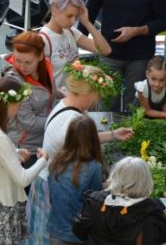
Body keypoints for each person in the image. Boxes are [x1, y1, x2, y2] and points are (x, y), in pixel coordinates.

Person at [25, 61, 134, 245]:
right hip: (57, 189)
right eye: (95, 95)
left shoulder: (63, 104)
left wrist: (114, 134)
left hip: (51, 181)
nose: (95, 100)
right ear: (86, 94)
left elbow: (82, 137)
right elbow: (83, 141)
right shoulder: (71, 120)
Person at [78, 0, 166, 111]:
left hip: (140, 57)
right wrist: (76, 42)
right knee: (106, 102)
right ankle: (107, 135)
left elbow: (163, 21)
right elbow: (90, 12)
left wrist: (136, 31)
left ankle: (131, 136)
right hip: (109, 53)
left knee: (134, 106)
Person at [0, 75, 49, 244]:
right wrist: (43, 160)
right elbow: (23, 179)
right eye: (19, 105)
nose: (19, 108)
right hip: (0, 208)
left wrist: (13, 153)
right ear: (8, 103)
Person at [73, 156, 166, 244]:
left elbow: (79, 231)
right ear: (146, 180)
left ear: (115, 176)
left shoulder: (95, 202)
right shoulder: (151, 211)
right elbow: (163, 237)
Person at [47, 116, 107, 245]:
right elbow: (95, 204)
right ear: (93, 138)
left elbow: (53, 197)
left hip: (56, 230)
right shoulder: (94, 167)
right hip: (78, 234)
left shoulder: (57, 161)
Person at [3, 31, 57, 171]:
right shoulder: (14, 82)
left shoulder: (46, 66)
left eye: (28, 62)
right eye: (18, 60)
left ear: (40, 56)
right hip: (26, 149)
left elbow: (48, 91)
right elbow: (29, 123)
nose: (22, 67)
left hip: (44, 139)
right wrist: (58, 119)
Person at [41, 0, 111, 90]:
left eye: (75, 16)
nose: (73, 21)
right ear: (54, 10)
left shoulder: (70, 32)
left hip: (73, 97)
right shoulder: (44, 39)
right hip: (58, 102)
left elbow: (105, 50)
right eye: (69, 16)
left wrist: (87, 22)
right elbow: (41, 82)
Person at [134, 55, 166, 120]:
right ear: (147, 74)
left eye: (162, 80)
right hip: (141, 117)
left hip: (160, 117)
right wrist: (165, 114)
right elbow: (147, 111)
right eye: (154, 79)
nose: (157, 84)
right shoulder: (142, 88)